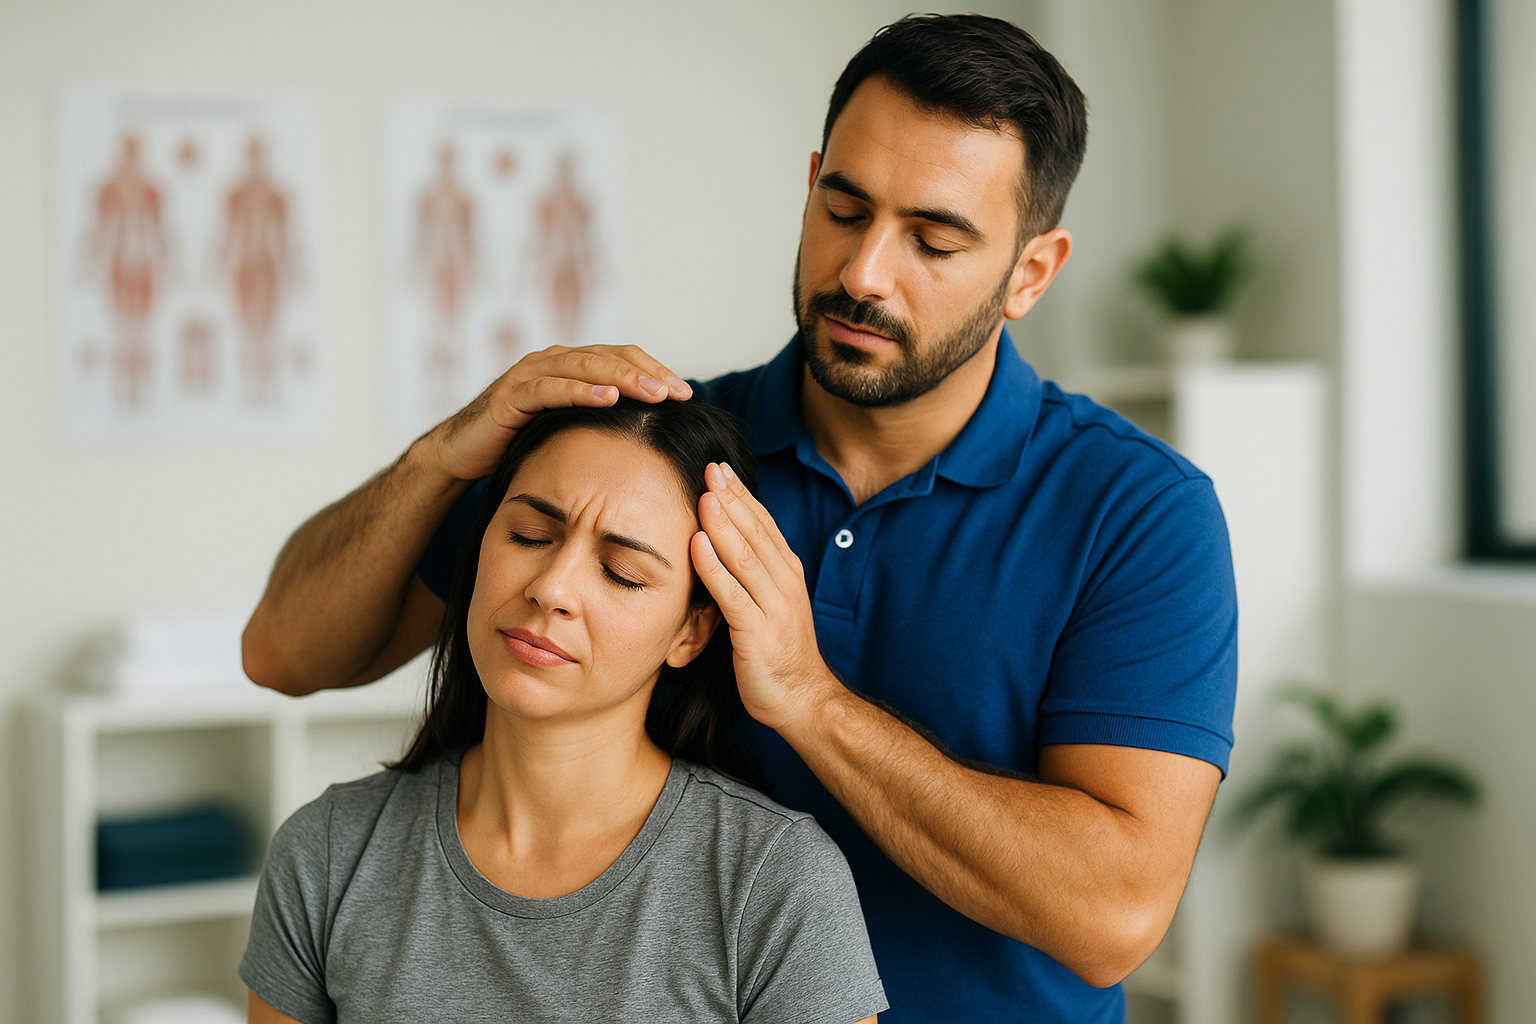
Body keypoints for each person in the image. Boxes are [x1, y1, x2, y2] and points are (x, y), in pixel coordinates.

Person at [244, 15, 1237, 1023]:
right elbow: (283, 653)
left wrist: (811, 698)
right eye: (844, 210)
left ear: (1032, 270)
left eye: (933, 240)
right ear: (810, 185)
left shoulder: (1138, 512)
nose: (864, 273)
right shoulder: (662, 459)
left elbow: (1115, 912)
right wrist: (443, 452)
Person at [241, 399, 886, 1024]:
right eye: (530, 535)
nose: (552, 588)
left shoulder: (777, 885)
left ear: (690, 633)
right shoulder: (326, 854)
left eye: (623, 573)